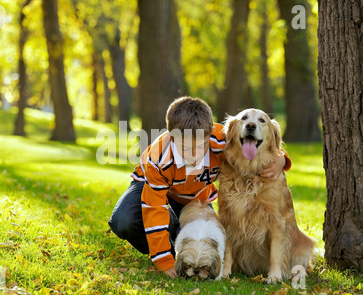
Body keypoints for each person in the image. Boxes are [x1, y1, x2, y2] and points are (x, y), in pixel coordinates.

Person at [108, 96, 291, 279]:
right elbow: (154, 210)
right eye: (186, 148)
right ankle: (171, 237)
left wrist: (282, 160)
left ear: (210, 134)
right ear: (172, 138)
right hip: (151, 184)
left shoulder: (222, 139)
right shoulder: (158, 160)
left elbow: (262, 146)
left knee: (207, 235)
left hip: (196, 195)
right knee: (123, 222)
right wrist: (164, 260)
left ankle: (181, 231)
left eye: (201, 146)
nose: (194, 156)